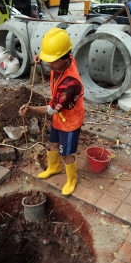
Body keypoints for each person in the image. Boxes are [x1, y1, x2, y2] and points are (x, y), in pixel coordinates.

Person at [18, 28, 84, 196]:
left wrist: (31, 108)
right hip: (60, 117)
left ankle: (71, 179)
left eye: (52, 61)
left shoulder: (70, 84)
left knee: (66, 153)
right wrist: (43, 58)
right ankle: (53, 168)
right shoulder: (67, 59)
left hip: (68, 121)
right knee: (53, 144)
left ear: (63, 58)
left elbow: (51, 109)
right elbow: (55, 57)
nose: (49, 64)